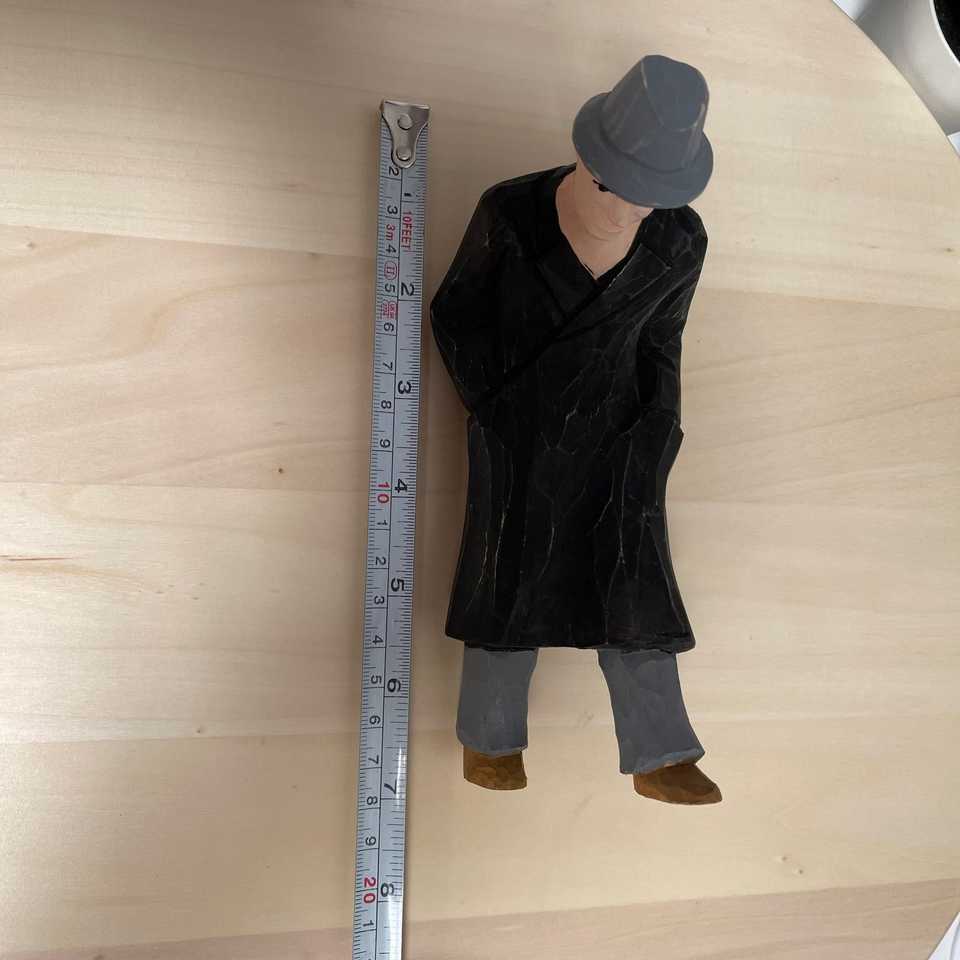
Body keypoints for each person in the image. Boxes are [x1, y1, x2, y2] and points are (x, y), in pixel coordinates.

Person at [430, 54, 721, 804]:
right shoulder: (512, 212)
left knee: (635, 583)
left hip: (620, 433)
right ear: (587, 158)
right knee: (507, 576)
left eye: (647, 202)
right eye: (611, 188)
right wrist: (495, 400)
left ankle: (660, 752)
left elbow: (663, 341)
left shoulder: (680, 243)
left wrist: (660, 426)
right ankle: (489, 740)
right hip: (522, 428)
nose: (624, 214)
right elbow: (456, 312)